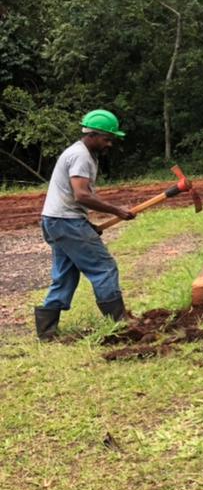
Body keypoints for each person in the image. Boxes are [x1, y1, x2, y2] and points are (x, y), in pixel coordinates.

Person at [34, 110, 136, 340]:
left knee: (66, 274)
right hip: (65, 221)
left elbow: (69, 199)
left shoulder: (81, 153)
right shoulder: (81, 156)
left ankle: (46, 331)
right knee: (103, 266)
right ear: (92, 135)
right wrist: (116, 210)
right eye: (107, 138)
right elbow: (81, 195)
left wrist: (86, 224)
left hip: (58, 220)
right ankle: (119, 322)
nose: (109, 143)